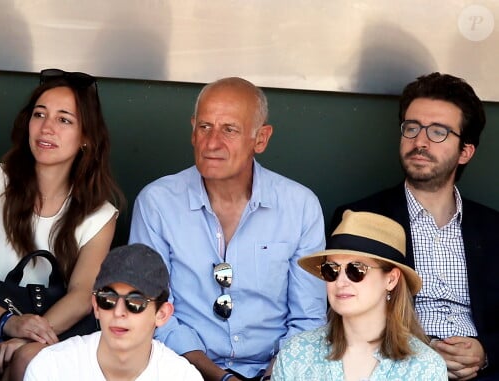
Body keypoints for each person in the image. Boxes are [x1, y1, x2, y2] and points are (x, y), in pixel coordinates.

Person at [129, 77, 327, 380]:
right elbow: (151, 309)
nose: (211, 142)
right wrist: (218, 377)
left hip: (280, 372)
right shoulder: (157, 202)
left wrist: (274, 375)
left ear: (260, 138)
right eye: (204, 127)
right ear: (193, 131)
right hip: (179, 369)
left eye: (229, 129)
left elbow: (308, 319)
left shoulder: (300, 206)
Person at [0, 69, 124, 380]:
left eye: (64, 119)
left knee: (33, 358)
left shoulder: (99, 214)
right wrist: (4, 321)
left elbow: (83, 294)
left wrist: (25, 339)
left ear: (86, 139)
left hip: (45, 344)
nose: (47, 128)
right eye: (40, 115)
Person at [331, 72, 499, 380]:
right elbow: (343, 313)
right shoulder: (361, 218)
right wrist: (424, 350)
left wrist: (485, 352)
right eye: (412, 128)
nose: (420, 141)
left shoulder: (494, 229)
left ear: (465, 152)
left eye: (438, 132)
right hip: (394, 368)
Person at [273, 210, 447, 380]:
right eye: (331, 270)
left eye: (356, 270)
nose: (340, 282)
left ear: (391, 280)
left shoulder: (425, 368)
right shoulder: (295, 353)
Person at [24, 243, 203, 381]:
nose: (119, 312)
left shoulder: (182, 377)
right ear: (96, 305)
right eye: (108, 299)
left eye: (135, 301)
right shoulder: (51, 368)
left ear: (162, 314)